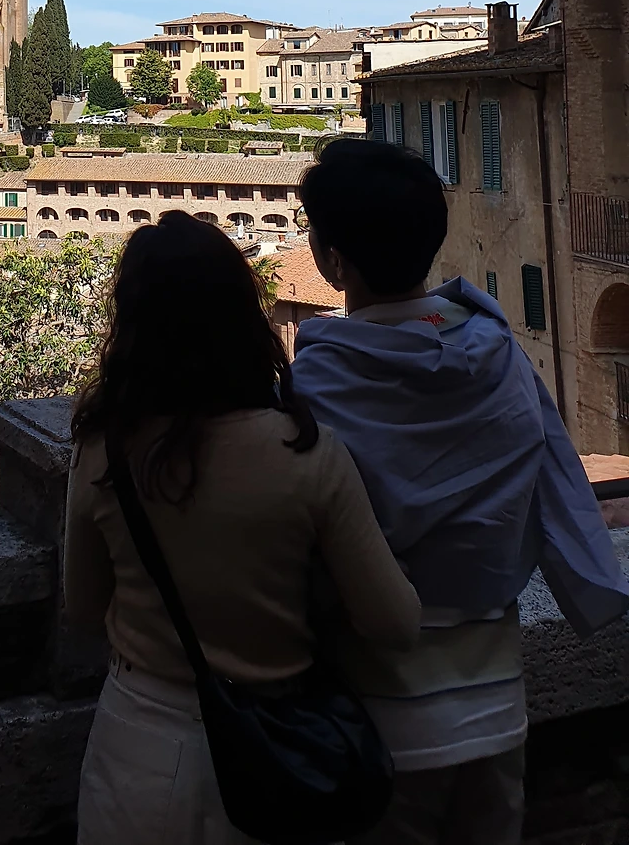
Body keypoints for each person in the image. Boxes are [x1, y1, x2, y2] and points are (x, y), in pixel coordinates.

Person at [294, 138, 629, 845]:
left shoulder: (314, 393)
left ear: (333, 263)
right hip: (498, 713)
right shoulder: (502, 357)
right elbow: (558, 486)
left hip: (376, 727)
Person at [65, 212, 421, 845]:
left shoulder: (103, 450)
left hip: (141, 742)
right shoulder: (309, 455)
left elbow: (86, 606)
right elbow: (395, 622)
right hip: (283, 752)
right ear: (242, 318)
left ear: (133, 327)